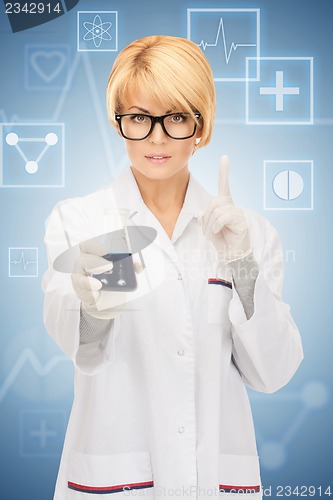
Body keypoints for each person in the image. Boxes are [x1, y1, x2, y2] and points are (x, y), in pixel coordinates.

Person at [42, 35, 303, 499]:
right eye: (139, 118)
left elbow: (274, 371)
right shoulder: (81, 220)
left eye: (176, 117)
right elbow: (83, 351)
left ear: (201, 126)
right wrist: (95, 301)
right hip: (115, 475)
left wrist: (242, 266)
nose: (156, 137)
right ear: (118, 123)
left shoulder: (251, 234)